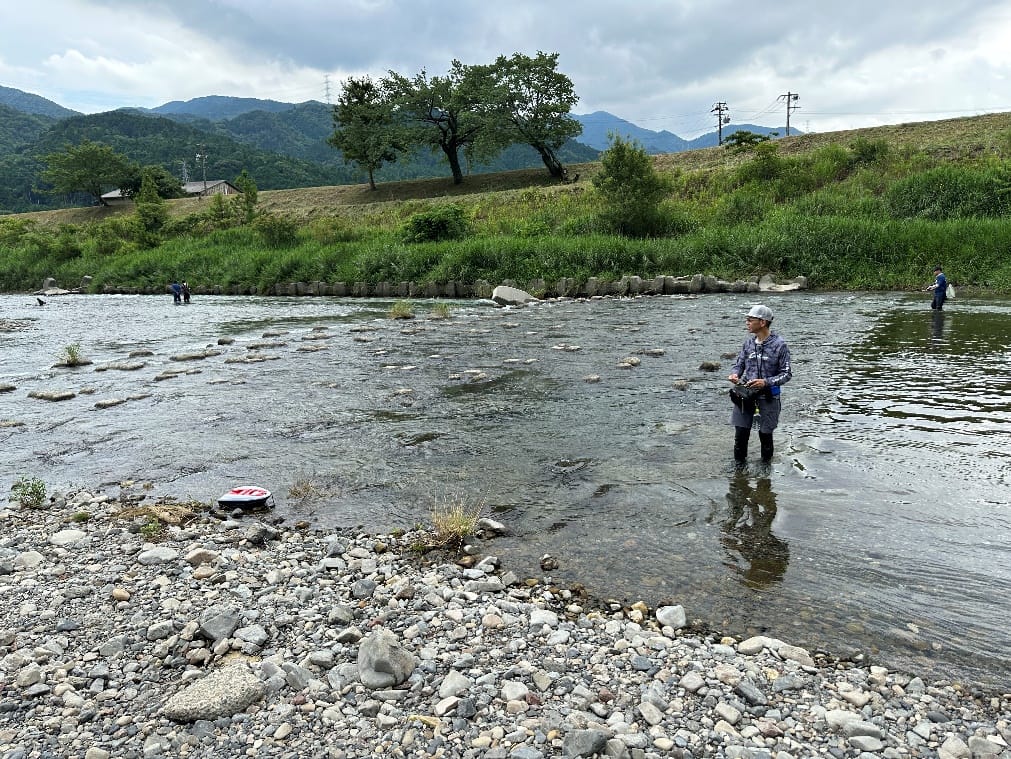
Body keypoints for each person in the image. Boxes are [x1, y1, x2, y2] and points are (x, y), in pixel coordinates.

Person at [727, 304, 792, 464]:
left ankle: (765, 473)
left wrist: (765, 382)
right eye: (747, 320)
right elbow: (739, 364)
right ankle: (739, 475)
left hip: (769, 397)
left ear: (762, 322)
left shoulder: (780, 345)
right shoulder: (748, 344)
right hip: (745, 396)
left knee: (765, 434)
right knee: (740, 434)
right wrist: (735, 374)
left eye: (750, 320)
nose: (747, 323)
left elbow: (786, 374)